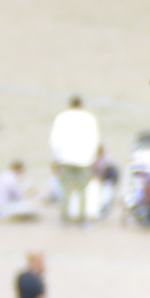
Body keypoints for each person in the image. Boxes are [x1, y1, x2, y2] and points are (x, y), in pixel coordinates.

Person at [48, 94, 102, 225]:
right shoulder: (89, 118)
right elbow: (95, 140)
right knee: (83, 190)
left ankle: (64, 218)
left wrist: (58, 156)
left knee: (66, 189)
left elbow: (54, 140)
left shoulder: (61, 118)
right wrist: (92, 157)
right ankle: (82, 218)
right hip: (84, 159)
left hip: (66, 158)